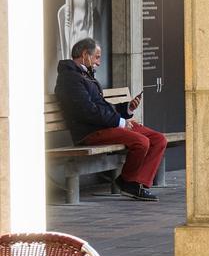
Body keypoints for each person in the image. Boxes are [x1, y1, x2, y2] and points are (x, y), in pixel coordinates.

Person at [54, 38, 165, 202]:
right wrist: (120, 122)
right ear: (85, 54)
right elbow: (88, 112)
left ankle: (134, 181)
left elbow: (102, 106)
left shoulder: (85, 75)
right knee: (141, 142)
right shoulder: (69, 78)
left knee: (159, 139)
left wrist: (127, 108)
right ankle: (129, 183)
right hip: (91, 131)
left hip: (106, 125)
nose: (99, 62)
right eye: (97, 57)